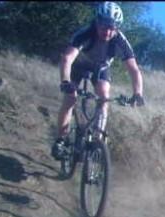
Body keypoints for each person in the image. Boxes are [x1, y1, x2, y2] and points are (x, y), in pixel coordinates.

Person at [51, 1, 144, 160]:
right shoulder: (85, 33)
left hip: (100, 69)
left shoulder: (120, 40)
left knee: (104, 97)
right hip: (78, 66)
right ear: (97, 22)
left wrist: (138, 93)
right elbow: (67, 58)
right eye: (104, 26)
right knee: (70, 99)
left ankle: (97, 141)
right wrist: (65, 81)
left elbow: (134, 70)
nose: (107, 32)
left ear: (117, 28)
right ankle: (60, 140)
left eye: (112, 28)